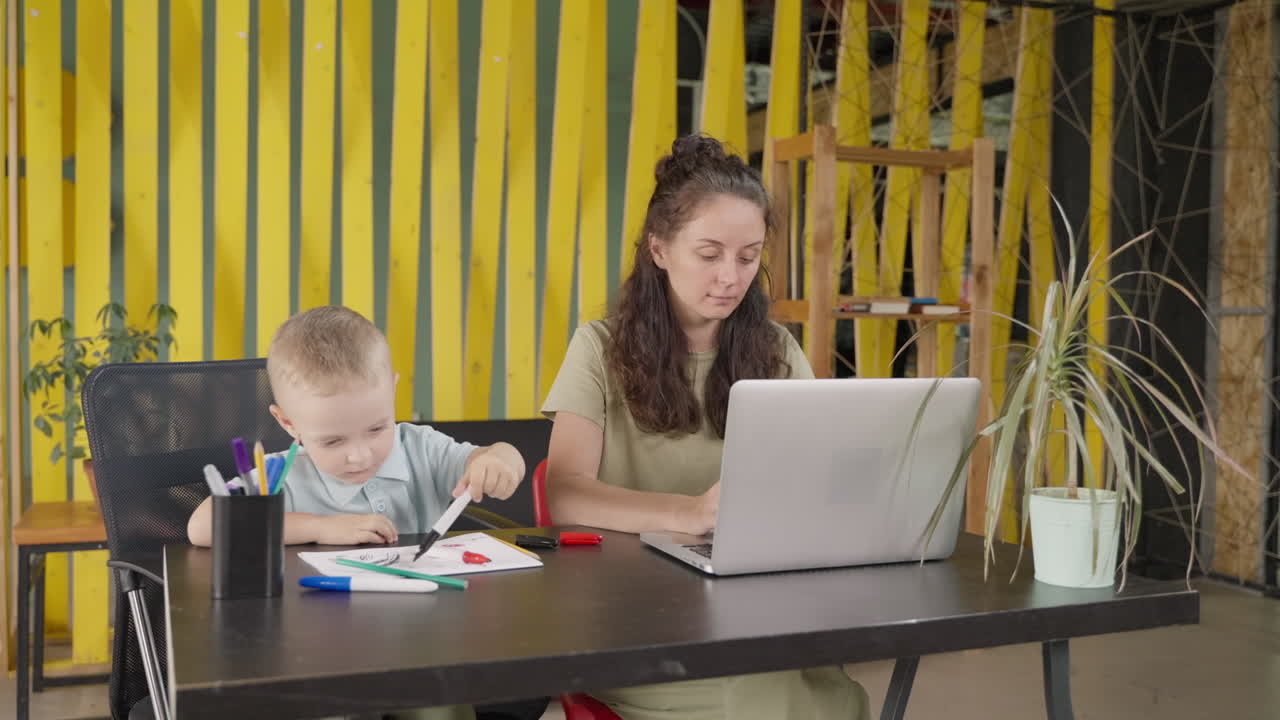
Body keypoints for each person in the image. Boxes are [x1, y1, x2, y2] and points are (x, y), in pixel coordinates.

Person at [540, 135, 870, 719]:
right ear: (659, 249)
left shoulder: (777, 351)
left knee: (820, 692)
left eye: (748, 257)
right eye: (710, 253)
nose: (730, 276)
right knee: (777, 697)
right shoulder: (598, 348)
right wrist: (692, 514)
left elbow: (816, 481)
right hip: (639, 627)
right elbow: (565, 493)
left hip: (757, 617)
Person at [187, 305, 530, 720]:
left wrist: (500, 460)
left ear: (393, 389)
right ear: (289, 423)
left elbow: (498, 455)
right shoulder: (280, 474)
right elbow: (202, 525)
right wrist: (320, 527)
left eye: (377, 428)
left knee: (440, 709)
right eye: (332, 441)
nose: (359, 455)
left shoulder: (421, 448)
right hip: (320, 655)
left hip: (424, 647)